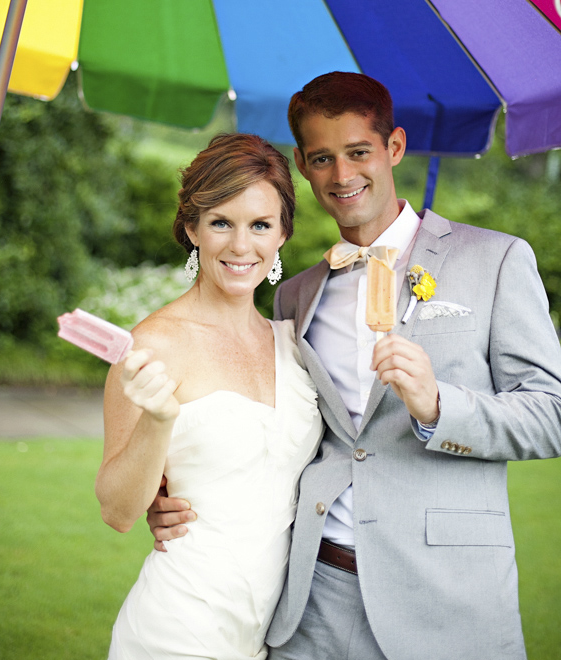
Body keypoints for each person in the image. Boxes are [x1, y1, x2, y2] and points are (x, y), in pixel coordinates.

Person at [148, 72, 561, 660]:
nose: (342, 175)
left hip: (444, 594)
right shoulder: (296, 295)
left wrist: (439, 406)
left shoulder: (494, 260)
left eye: (359, 152)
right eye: (322, 158)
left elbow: (552, 413)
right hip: (313, 592)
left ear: (393, 148)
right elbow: (269, 424)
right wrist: (176, 493)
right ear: (303, 164)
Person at [96, 133, 323, 660]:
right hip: (178, 628)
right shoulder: (152, 347)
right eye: (221, 222)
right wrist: (157, 422)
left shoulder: (293, 344)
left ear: (283, 233)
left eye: (260, 225)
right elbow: (118, 510)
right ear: (192, 228)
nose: (242, 247)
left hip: (272, 635)